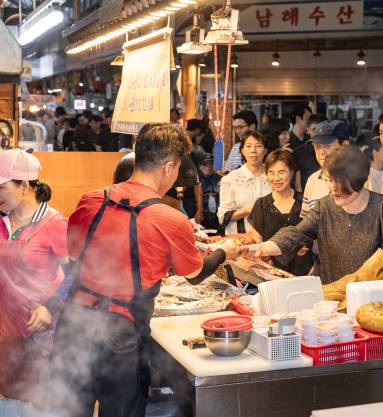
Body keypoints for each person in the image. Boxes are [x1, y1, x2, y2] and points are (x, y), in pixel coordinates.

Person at [48, 123, 243, 417]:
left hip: (73, 325)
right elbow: (195, 274)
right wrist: (224, 252)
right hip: (119, 334)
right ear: (168, 167)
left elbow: (76, 256)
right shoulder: (169, 217)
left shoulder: (91, 199)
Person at [255, 145, 383, 285]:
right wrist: (262, 248)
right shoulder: (324, 207)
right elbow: (297, 233)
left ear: (359, 180)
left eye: (341, 182)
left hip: (376, 301)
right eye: (329, 180)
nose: (333, 188)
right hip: (333, 299)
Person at [0, 150, 72, 407]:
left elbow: (76, 272)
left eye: (1, 187)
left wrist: (51, 306)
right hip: (7, 330)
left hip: (41, 331)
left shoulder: (53, 223)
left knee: (41, 402)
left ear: (24, 185)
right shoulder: (2, 221)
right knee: (10, 400)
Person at [248, 150, 314, 276]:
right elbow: (258, 241)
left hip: (305, 274)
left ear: (292, 172)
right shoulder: (261, 205)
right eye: (271, 173)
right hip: (270, 275)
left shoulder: (304, 202)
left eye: (281, 172)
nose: (276, 178)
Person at [218, 131, 272, 235]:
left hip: (270, 239)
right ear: (242, 150)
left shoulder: (273, 177)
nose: (253, 151)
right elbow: (223, 217)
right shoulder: (230, 179)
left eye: (258, 146)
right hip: (241, 240)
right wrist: (248, 210)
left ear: (265, 150)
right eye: (248, 146)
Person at [301, 120, 349, 218]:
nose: (322, 152)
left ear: (345, 145)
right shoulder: (312, 180)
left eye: (327, 146)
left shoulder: (360, 177)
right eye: (318, 146)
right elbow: (305, 223)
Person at [294, 113, 326, 188]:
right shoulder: (298, 153)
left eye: (322, 129)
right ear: (307, 130)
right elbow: (297, 185)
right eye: (314, 129)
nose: (318, 133)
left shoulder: (333, 151)